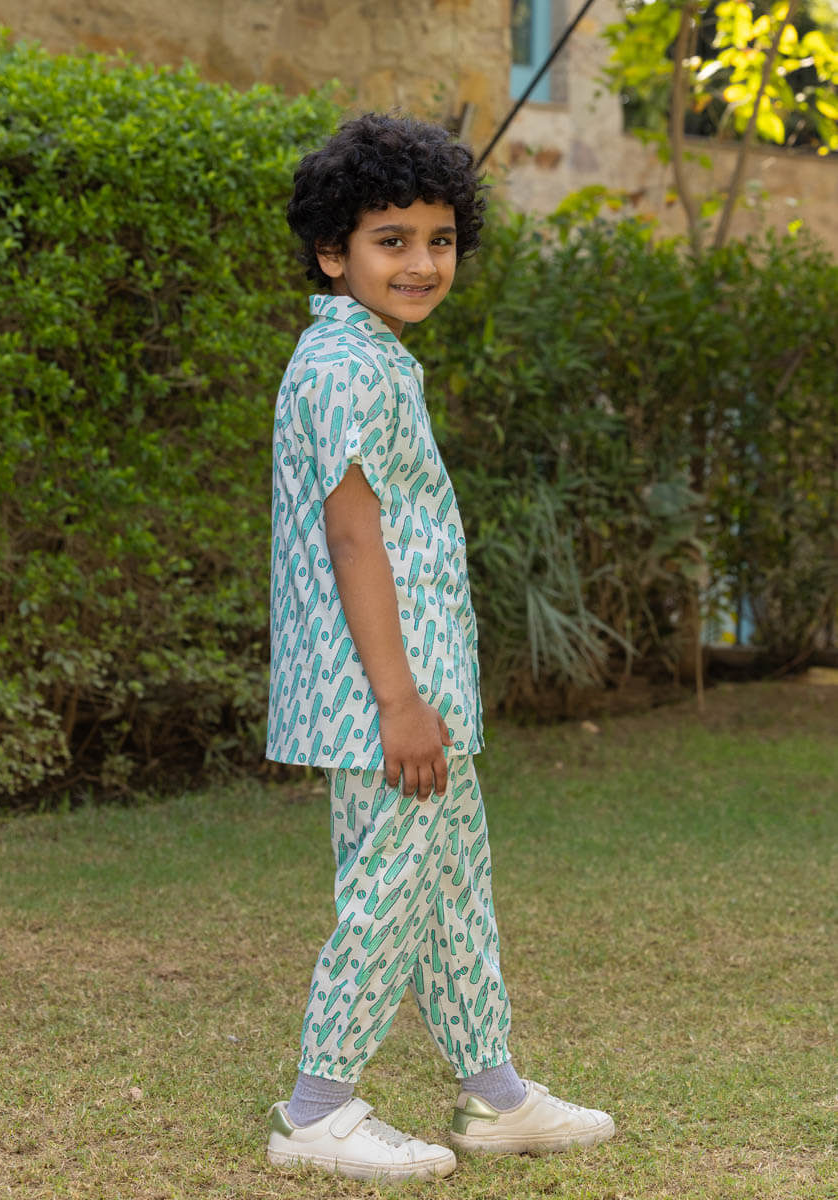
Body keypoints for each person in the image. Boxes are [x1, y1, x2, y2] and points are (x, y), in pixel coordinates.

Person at [265, 112, 614, 1182]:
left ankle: (496, 1097)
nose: (421, 262)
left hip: (419, 692)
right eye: (392, 240)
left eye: (440, 239)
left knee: (452, 891)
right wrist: (400, 701)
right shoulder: (347, 367)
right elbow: (353, 537)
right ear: (334, 252)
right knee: (387, 895)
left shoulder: (371, 355)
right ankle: (316, 1111)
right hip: (386, 699)